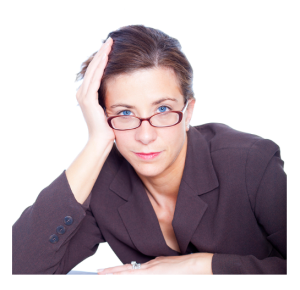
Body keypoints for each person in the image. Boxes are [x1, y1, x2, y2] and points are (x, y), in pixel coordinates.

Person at [12, 25, 286, 275]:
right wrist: (97, 142)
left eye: (163, 109)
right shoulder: (102, 183)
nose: (145, 135)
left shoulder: (252, 164)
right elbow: (19, 268)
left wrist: (201, 265)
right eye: (125, 112)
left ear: (188, 111)